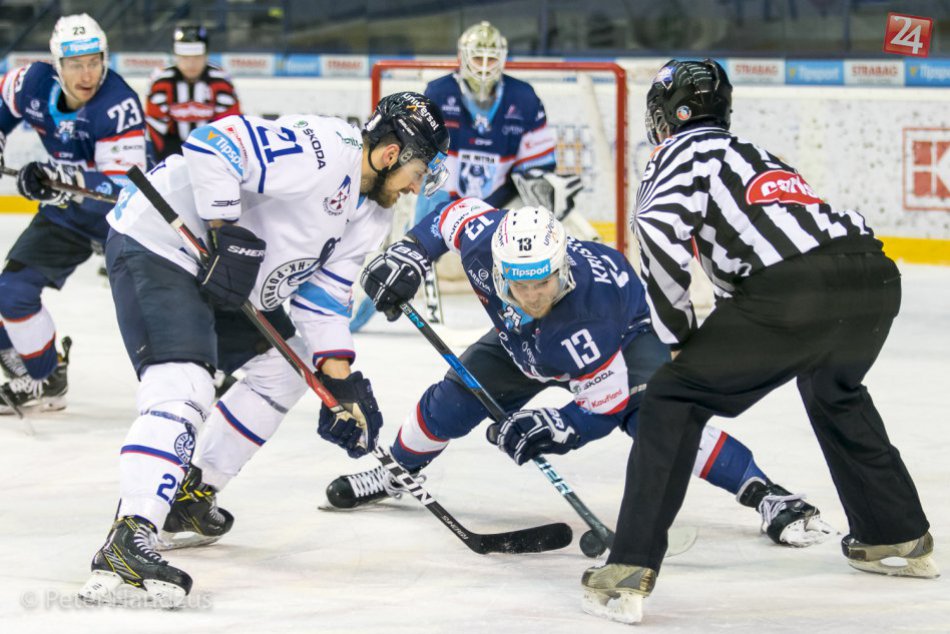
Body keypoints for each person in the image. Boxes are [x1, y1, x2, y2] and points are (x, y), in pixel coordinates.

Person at [581, 59, 938, 625]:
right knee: (834, 391)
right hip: (872, 278)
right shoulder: (758, 158)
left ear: (667, 114)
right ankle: (895, 536)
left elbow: (653, 224)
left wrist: (678, 340)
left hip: (797, 290)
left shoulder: (678, 153)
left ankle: (628, 566)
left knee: (673, 398)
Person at [77, 91, 450, 608]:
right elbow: (214, 144)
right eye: (420, 168)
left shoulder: (372, 216)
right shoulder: (322, 149)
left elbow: (322, 298)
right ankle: (129, 537)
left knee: (288, 367)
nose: (417, 184)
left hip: (231, 280)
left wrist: (339, 385)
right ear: (391, 154)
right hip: (163, 245)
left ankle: (191, 496)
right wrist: (224, 228)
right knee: (185, 384)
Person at [324, 200, 835, 552]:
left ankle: (766, 494)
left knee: (656, 421)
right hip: (520, 342)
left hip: (628, 337)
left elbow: (604, 404)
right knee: (451, 403)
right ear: (499, 270)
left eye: (543, 282)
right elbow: (450, 215)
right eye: (519, 285)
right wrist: (412, 253)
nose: (533, 296)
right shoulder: (486, 244)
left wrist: (553, 426)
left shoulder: (588, 314)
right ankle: (397, 471)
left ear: (561, 266)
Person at [350, 20, 587, 333]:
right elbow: (425, 154)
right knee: (410, 242)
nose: (485, 67)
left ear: (502, 59)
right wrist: (445, 201)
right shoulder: (439, 92)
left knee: (543, 236)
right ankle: (364, 310)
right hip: (444, 194)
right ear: (463, 57)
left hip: (498, 199)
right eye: (479, 59)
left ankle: (545, 316)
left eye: (491, 59)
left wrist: (503, 206)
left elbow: (537, 168)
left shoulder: (525, 98)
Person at [0, 13, 147, 414]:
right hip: (66, 213)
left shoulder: (118, 104)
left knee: (163, 311)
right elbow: (3, 102)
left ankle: (220, 364)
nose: (87, 73)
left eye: (95, 61)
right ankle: (45, 375)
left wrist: (53, 174)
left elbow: (122, 189)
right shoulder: (31, 82)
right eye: (76, 64)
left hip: (127, 223)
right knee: (10, 294)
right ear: (57, 64)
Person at [145, 22, 241, 162]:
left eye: (196, 57)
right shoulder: (161, 82)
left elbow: (231, 128)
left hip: (213, 154)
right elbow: (155, 133)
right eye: (184, 57)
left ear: (206, 55)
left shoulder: (221, 82)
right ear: (175, 55)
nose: (190, 64)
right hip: (171, 156)